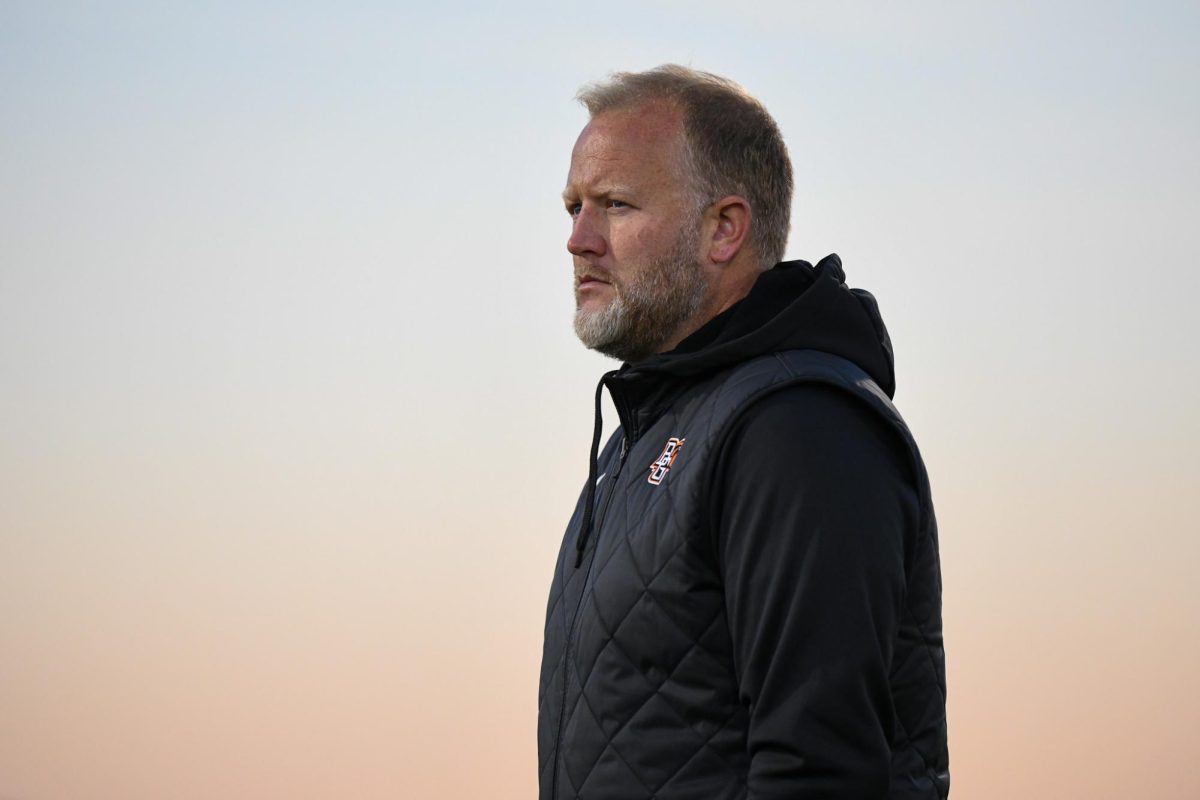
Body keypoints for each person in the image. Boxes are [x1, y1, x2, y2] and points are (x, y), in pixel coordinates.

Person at [537, 65, 949, 800]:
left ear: (724, 228)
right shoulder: (645, 437)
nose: (578, 239)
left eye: (615, 205)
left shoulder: (797, 426)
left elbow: (821, 772)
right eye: (573, 207)